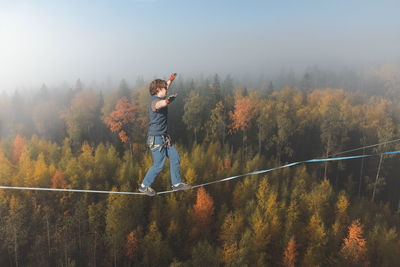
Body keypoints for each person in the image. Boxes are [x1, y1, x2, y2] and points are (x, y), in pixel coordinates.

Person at [139, 73, 191, 196]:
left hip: (164, 138)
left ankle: (176, 184)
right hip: (156, 140)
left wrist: (171, 79)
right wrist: (168, 101)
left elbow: (165, 85)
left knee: (175, 158)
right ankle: (144, 186)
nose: (167, 90)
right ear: (158, 90)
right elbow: (159, 105)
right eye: (165, 89)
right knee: (158, 165)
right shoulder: (155, 101)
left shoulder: (161, 94)